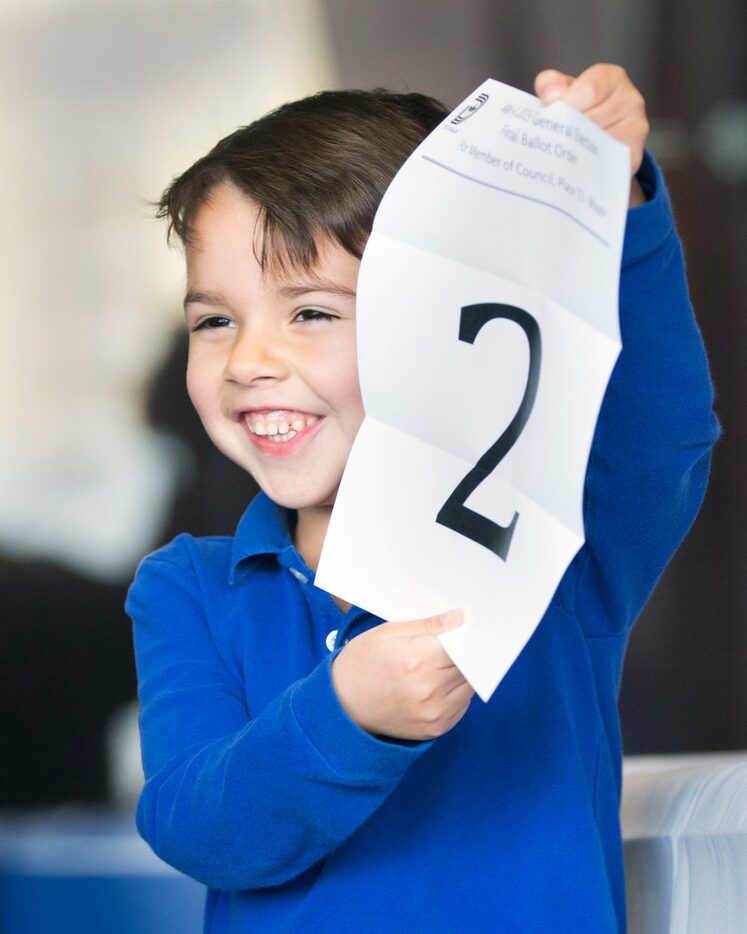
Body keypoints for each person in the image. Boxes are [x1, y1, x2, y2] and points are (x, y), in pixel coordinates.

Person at [126, 65, 718, 933]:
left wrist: (617, 195)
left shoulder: (549, 554)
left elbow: (659, 434)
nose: (247, 360)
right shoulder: (187, 589)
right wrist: (345, 717)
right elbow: (196, 826)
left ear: (454, 328)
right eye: (214, 319)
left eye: (312, 313)